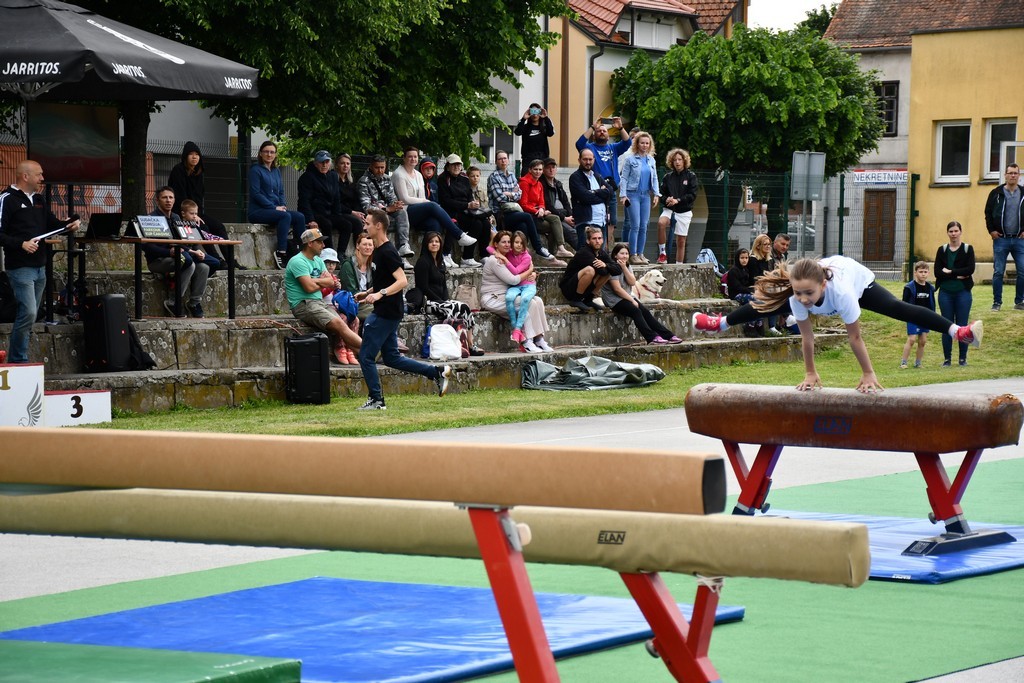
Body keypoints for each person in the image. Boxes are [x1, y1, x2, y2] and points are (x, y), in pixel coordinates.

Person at [692, 256, 984, 393]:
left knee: (898, 309)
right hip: (823, 273)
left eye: (809, 293)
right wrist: (810, 372)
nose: (804, 300)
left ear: (822, 285)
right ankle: (720, 324)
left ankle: (958, 331)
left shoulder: (842, 294)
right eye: (799, 293)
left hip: (859, 281)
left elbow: (854, 338)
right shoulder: (799, 297)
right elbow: (807, 338)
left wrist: (868, 374)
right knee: (772, 302)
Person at [355, 210, 452, 411]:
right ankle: (436, 372)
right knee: (392, 358)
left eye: (368, 223)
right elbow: (385, 281)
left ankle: (376, 400)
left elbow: (402, 281)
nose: (365, 227)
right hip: (389, 311)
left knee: (365, 357)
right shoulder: (379, 251)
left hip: (385, 312)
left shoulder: (388, 252)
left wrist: (380, 294)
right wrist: (367, 293)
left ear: (379, 226)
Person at [0, 160, 79, 363]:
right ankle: (18, 359)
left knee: (30, 315)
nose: (42, 178)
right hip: (20, 267)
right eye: (39, 174)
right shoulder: (6, 199)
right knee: (28, 311)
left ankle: (19, 356)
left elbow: (51, 224)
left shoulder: (39, 199)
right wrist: (21, 244)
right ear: (25, 176)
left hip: (40, 267)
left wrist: (68, 225)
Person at [284, 227, 362, 365]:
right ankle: (371, 349)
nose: (323, 245)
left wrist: (316, 281)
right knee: (338, 323)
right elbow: (308, 288)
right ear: (309, 243)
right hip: (303, 304)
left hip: (318, 301)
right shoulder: (298, 261)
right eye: (319, 242)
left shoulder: (318, 261)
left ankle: (365, 354)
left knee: (344, 321)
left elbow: (331, 281)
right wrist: (322, 282)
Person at [391, 148, 477, 268]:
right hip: (405, 211)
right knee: (432, 205)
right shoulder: (399, 174)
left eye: (415, 157)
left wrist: (424, 202)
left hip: (418, 210)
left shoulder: (418, 175)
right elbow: (404, 199)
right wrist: (424, 202)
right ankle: (459, 235)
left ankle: (428, 261)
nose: (413, 159)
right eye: (410, 156)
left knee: (435, 224)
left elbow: (421, 198)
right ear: (404, 158)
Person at [167, 141, 239, 269]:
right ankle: (218, 260)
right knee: (204, 227)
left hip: (196, 213)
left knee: (219, 226)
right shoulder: (178, 171)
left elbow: (199, 197)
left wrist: (196, 214)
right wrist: (191, 215)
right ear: (185, 156)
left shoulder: (198, 173)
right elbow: (180, 198)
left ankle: (230, 260)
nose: (194, 157)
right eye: (191, 154)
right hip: (182, 214)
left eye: (197, 154)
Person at [481, 230, 554, 353]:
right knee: (529, 303)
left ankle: (539, 339)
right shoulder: (495, 260)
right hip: (492, 298)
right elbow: (514, 280)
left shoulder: (506, 256)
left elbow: (522, 260)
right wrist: (530, 270)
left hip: (507, 295)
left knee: (538, 301)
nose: (507, 244)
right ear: (496, 244)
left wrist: (534, 273)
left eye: (509, 242)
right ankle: (526, 341)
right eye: (503, 242)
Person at [411, 231, 483, 355]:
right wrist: (441, 301)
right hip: (428, 302)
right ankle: (457, 345)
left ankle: (470, 344)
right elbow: (423, 287)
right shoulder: (422, 262)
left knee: (464, 307)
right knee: (452, 309)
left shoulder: (440, 262)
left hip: (441, 300)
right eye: (431, 241)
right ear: (426, 244)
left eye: (437, 241)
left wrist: (445, 299)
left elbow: (443, 285)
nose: (434, 244)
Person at [487, 149, 562, 265]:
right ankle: (539, 248)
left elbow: (519, 194)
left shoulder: (512, 175)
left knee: (523, 226)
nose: (503, 161)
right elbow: (500, 198)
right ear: (496, 161)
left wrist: (509, 194)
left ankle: (521, 256)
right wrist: (513, 193)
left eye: (505, 158)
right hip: (500, 214)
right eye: (500, 159)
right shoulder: (493, 177)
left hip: (514, 212)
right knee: (527, 217)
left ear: (508, 160)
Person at [146, 186, 210, 318]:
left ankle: (194, 303)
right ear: (157, 201)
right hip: (157, 261)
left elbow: (185, 240)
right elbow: (147, 247)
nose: (168, 200)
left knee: (204, 267)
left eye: (171, 197)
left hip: (178, 257)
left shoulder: (176, 217)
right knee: (190, 264)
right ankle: (173, 302)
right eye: (164, 197)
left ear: (174, 200)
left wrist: (195, 226)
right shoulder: (151, 218)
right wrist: (169, 253)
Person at [602, 242, 681, 345]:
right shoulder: (612, 267)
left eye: (626, 253)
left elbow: (632, 282)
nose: (625, 256)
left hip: (625, 297)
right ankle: (651, 337)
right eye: (622, 253)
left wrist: (625, 268)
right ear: (615, 255)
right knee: (636, 311)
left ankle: (668, 335)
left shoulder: (627, 266)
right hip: (613, 299)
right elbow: (617, 289)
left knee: (645, 311)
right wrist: (631, 300)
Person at [247, 140, 308, 270]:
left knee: (299, 217)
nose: (269, 155)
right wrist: (274, 207)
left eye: (272, 152)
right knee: (284, 217)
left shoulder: (276, 171)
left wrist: (283, 205)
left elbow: (281, 192)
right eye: (266, 152)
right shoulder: (255, 170)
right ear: (260, 154)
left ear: (275, 155)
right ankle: (281, 252)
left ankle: (300, 251)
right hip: (258, 211)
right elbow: (256, 193)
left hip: (276, 210)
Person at [576, 116, 631, 242]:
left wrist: (620, 127)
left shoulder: (613, 148)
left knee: (612, 221)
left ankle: (607, 247)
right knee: (597, 222)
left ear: (608, 135)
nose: (602, 132)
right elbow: (579, 144)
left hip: (610, 190)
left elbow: (628, 142)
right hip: (596, 191)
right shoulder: (590, 148)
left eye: (604, 131)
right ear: (594, 134)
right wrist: (592, 127)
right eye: (599, 131)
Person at [298, 150, 360, 255]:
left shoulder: (332, 176)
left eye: (327, 162)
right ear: (315, 163)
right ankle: (328, 253)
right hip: (315, 212)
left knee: (347, 225)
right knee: (327, 225)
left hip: (329, 212)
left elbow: (336, 197)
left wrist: (338, 215)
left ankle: (340, 254)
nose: (324, 165)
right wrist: (311, 219)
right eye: (322, 162)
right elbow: (305, 200)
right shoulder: (307, 177)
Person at [357, 154, 413, 268]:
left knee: (402, 213)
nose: (380, 170)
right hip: (373, 215)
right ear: (371, 167)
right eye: (377, 167)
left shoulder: (387, 178)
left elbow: (392, 197)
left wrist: (396, 204)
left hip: (387, 211)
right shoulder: (363, 181)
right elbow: (366, 207)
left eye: (382, 167)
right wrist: (386, 209)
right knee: (382, 221)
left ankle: (403, 248)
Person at [934, 220, 976, 367]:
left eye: (956, 231)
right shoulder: (942, 250)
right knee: (947, 325)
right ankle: (947, 359)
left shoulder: (967, 249)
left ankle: (962, 358)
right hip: (945, 293)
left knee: (963, 326)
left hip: (963, 293)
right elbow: (937, 272)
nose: (953, 234)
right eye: (951, 231)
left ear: (960, 232)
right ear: (947, 233)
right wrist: (958, 274)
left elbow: (970, 269)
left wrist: (951, 272)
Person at [983, 163, 1023, 311]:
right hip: (1001, 239)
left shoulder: (1023, 193)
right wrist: (991, 231)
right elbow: (987, 213)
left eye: (1015, 173)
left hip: (1019, 239)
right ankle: (997, 303)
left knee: (1023, 271)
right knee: (998, 272)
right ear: (1005, 175)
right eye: (1010, 173)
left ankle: (1019, 302)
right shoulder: (995, 193)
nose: (1013, 176)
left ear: (1019, 176)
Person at [436, 156, 488, 267]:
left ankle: (481, 255)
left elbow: (469, 196)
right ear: (448, 166)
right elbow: (445, 201)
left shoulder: (464, 178)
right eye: (453, 165)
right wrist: (467, 205)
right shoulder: (443, 179)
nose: (456, 167)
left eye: (458, 165)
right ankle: (456, 256)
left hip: (467, 210)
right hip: (451, 211)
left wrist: (473, 204)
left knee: (485, 223)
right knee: (475, 223)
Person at [618, 131, 660, 264]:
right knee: (635, 225)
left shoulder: (651, 160)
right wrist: (623, 195)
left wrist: (657, 194)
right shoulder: (630, 159)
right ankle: (633, 254)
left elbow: (654, 177)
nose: (645, 145)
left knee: (644, 226)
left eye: (647, 143)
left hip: (646, 195)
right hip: (632, 194)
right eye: (642, 143)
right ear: (637, 144)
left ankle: (641, 254)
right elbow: (624, 178)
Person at [518, 158, 571, 261]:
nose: (538, 172)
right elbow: (523, 204)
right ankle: (555, 252)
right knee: (553, 224)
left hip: (539, 213)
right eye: (536, 169)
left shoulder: (539, 184)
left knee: (555, 219)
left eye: (540, 169)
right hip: (530, 215)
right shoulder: (524, 183)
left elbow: (542, 202)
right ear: (530, 170)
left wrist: (542, 208)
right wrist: (537, 210)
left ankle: (557, 250)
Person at [559, 226, 621, 313]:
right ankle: (576, 300)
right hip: (569, 288)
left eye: (599, 238)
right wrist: (608, 267)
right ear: (588, 241)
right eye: (594, 238)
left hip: (585, 286)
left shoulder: (602, 253)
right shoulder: (584, 252)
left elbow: (618, 270)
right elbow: (602, 272)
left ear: (603, 240)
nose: (597, 241)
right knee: (590, 270)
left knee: (608, 272)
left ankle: (588, 300)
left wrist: (606, 265)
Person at [319, 247, 360, 364]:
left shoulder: (335, 278)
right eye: (327, 263)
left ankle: (350, 348)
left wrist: (338, 290)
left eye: (333, 263)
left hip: (336, 306)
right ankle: (340, 346)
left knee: (355, 319)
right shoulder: (320, 277)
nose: (331, 266)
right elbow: (318, 294)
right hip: (325, 307)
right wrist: (331, 288)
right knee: (343, 319)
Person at [657, 148, 698, 264]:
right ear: (671, 162)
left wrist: (678, 200)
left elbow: (692, 195)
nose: (677, 162)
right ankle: (662, 254)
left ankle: (679, 265)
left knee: (681, 241)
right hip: (669, 209)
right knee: (661, 223)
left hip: (684, 211)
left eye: (680, 159)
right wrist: (667, 200)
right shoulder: (667, 177)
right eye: (675, 160)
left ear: (684, 161)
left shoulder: (691, 176)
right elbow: (661, 194)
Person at [569, 149, 615, 249]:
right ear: (579, 160)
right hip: (586, 222)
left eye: (590, 159)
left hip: (601, 222)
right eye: (585, 159)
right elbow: (585, 197)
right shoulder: (575, 177)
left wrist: (595, 191)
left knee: (600, 256)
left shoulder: (597, 176)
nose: (588, 162)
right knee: (585, 255)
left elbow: (611, 191)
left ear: (594, 160)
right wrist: (603, 195)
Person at [497, 231, 536, 345]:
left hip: (528, 285)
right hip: (515, 286)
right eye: (516, 242)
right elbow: (490, 249)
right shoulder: (508, 253)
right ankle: (516, 328)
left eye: (522, 243)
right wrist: (497, 254)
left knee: (525, 299)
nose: (519, 245)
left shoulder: (527, 257)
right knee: (509, 298)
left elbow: (516, 271)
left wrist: (505, 260)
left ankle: (518, 328)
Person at [901, 261, 936, 369]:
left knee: (923, 341)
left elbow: (932, 303)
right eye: (920, 272)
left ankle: (918, 363)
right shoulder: (909, 287)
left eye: (925, 272)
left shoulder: (930, 288)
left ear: (928, 273)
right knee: (911, 339)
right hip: (912, 317)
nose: (923, 274)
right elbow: (904, 303)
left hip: (925, 317)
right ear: (915, 273)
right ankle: (904, 362)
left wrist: (932, 316)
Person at [540, 158, 578, 252]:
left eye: (553, 167)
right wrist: (564, 218)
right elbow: (548, 205)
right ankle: (584, 254)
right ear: (543, 170)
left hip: (563, 215)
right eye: (548, 167)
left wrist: (570, 216)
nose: (551, 170)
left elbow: (566, 202)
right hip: (552, 216)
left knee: (581, 228)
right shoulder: (541, 184)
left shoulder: (558, 184)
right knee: (571, 232)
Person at [339, 231, 375, 324]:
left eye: (370, 245)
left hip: (369, 301)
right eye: (364, 244)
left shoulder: (373, 266)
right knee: (381, 312)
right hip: (354, 304)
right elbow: (350, 291)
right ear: (357, 246)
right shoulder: (348, 264)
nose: (368, 247)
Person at [179, 199, 223, 275]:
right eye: (192, 213)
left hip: (194, 253)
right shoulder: (179, 226)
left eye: (196, 214)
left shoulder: (195, 226)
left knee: (216, 262)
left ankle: (198, 278)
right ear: (183, 214)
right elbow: (180, 244)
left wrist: (221, 240)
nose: (194, 216)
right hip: (184, 253)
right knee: (188, 260)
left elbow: (206, 236)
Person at [334, 153, 367, 252]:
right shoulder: (333, 180)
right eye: (342, 163)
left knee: (366, 221)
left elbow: (356, 201)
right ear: (337, 165)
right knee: (354, 223)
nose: (345, 166)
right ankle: (357, 251)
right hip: (338, 211)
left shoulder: (351, 182)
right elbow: (335, 202)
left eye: (348, 163)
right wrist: (352, 212)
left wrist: (360, 214)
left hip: (351, 212)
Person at [514, 103, 554, 168]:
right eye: (533, 111)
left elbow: (550, 133)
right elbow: (518, 132)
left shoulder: (544, 127)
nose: (535, 115)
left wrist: (546, 118)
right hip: (528, 160)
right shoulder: (525, 127)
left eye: (537, 111)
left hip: (542, 159)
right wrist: (524, 118)